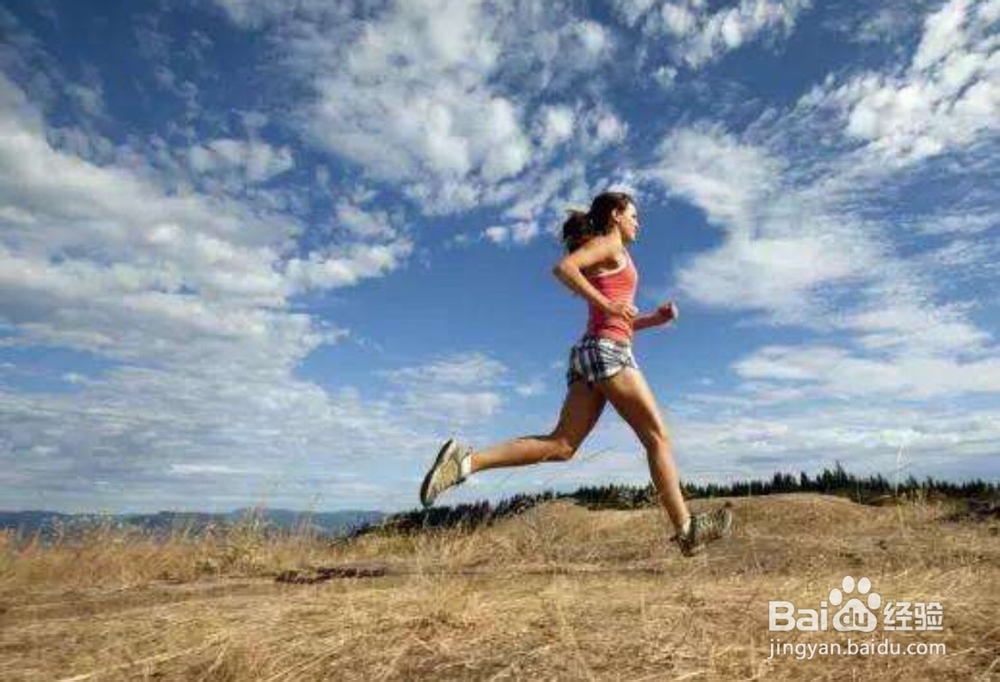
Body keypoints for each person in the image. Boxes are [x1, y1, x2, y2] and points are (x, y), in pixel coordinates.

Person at [419, 191, 732, 556]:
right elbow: (564, 268)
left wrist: (653, 320)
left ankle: (466, 461)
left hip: (592, 352)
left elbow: (617, 321)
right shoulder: (609, 246)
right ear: (616, 215)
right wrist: (607, 303)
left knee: (562, 445)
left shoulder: (615, 254)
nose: (638, 223)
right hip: (607, 353)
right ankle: (687, 529)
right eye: (633, 215)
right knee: (657, 437)